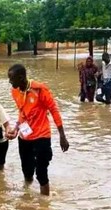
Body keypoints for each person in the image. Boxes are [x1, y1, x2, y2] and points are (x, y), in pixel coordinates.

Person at [6, 64, 69, 196]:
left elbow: (54, 110)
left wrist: (62, 135)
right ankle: (27, 197)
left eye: (12, 79)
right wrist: (16, 128)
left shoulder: (40, 90)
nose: (10, 82)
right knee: (27, 171)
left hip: (42, 136)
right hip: (25, 136)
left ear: (21, 77)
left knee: (41, 173)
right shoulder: (15, 91)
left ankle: (44, 205)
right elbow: (22, 112)